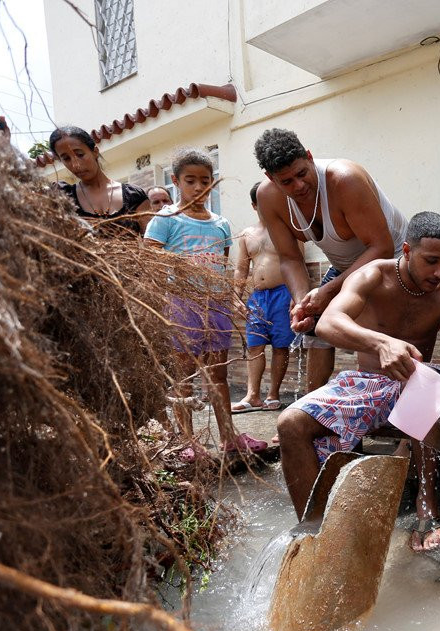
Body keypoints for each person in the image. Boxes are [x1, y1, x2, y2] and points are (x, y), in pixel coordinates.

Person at [277, 212, 440, 552]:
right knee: (291, 423)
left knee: (423, 380)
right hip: (366, 384)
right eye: (431, 261)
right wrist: (380, 343)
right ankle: (316, 530)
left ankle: (427, 508)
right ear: (406, 249)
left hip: (419, 384)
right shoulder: (372, 275)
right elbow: (329, 323)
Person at [252, 128, 406, 393]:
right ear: (271, 178)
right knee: (317, 329)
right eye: (287, 181)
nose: (299, 186)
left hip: (391, 261)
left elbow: (381, 247)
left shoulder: (344, 179)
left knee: (380, 334)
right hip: (347, 267)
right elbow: (289, 258)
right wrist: (303, 303)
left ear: (310, 157)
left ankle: (400, 416)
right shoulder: (268, 197)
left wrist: (328, 291)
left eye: (302, 173)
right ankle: (312, 412)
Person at [144, 148, 267, 460]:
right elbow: (149, 258)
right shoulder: (165, 219)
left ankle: (229, 436)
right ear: (175, 182)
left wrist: (230, 301)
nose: (199, 188)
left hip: (215, 309)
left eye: (206, 181)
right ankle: (187, 441)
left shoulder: (221, 224)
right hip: (182, 307)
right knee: (183, 377)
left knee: (218, 376)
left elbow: (221, 268)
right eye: (190, 181)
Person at [232, 182, 303, 413]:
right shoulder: (246, 234)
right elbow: (241, 269)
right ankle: (252, 395)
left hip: (283, 294)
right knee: (255, 346)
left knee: (281, 346)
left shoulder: (290, 229)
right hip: (258, 298)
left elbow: (298, 263)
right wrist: (236, 297)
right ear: (254, 205)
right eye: (262, 202)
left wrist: (297, 296)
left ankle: (273, 395)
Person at [47, 126, 151, 237]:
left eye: (80, 154)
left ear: (95, 152)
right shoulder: (64, 197)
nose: (75, 164)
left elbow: (152, 243)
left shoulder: (134, 196)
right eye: (66, 159)